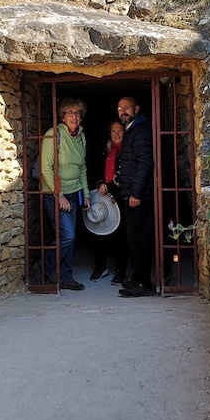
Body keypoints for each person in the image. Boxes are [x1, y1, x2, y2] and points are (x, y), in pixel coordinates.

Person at [40, 97, 90, 291]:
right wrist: (58, 194)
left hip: (74, 193)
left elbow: (82, 167)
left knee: (70, 237)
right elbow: (46, 168)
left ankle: (66, 277)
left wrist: (85, 193)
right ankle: (43, 267)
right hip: (56, 194)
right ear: (62, 116)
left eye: (77, 113)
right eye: (70, 113)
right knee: (67, 236)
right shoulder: (53, 135)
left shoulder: (81, 137)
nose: (74, 116)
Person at [116, 96, 156, 297]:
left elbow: (145, 163)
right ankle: (137, 279)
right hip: (132, 193)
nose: (123, 111)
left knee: (140, 238)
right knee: (134, 237)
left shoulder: (140, 131)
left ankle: (143, 282)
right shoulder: (132, 129)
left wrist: (135, 193)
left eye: (127, 107)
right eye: (120, 108)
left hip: (138, 196)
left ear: (137, 108)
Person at [89, 120, 127, 283]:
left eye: (120, 131)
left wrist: (110, 186)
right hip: (103, 196)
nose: (117, 134)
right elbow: (95, 170)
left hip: (120, 196)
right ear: (109, 134)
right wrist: (100, 184)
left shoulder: (128, 150)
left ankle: (121, 270)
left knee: (121, 235)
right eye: (113, 131)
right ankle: (100, 266)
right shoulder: (105, 151)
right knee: (99, 231)